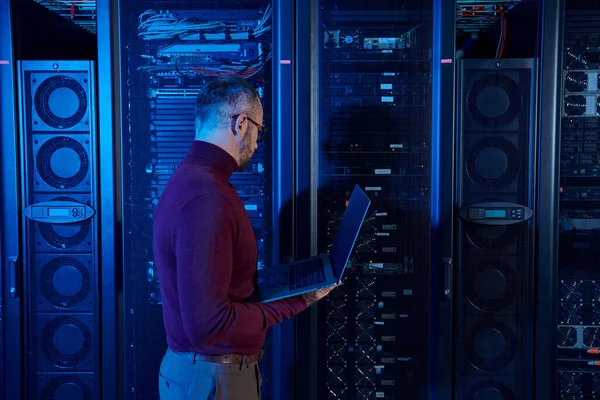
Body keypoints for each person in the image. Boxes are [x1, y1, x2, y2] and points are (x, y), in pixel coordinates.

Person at [153, 75, 335, 400]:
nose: (256, 142)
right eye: (259, 131)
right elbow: (208, 325)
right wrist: (299, 300)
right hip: (212, 381)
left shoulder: (194, 179)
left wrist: (285, 283)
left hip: (208, 376)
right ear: (241, 123)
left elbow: (220, 286)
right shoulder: (208, 197)